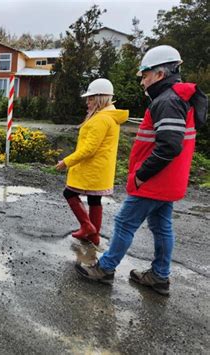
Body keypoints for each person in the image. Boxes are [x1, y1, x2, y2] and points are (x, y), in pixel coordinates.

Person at [75, 45, 208, 296]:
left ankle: (105, 269)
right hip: (169, 180)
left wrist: (141, 174)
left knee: (125, 222)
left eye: (145, 75)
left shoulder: (167, 101)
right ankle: (159, 276)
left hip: (154, 181)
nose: (142, 81)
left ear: (160, 74)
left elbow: (169, 146)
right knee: (162, 225)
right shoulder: (178, 98)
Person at [56, 78, 129, 246]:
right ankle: (93, 237)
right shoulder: (110, 117)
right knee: (94, 200)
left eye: (90, 98)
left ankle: (87, 226)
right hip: (100, 169)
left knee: (69, 193)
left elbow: (89, 149)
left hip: (91, 169)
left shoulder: (101, 119)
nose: (87, 102)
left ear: (99, 98)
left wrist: (67, 162)